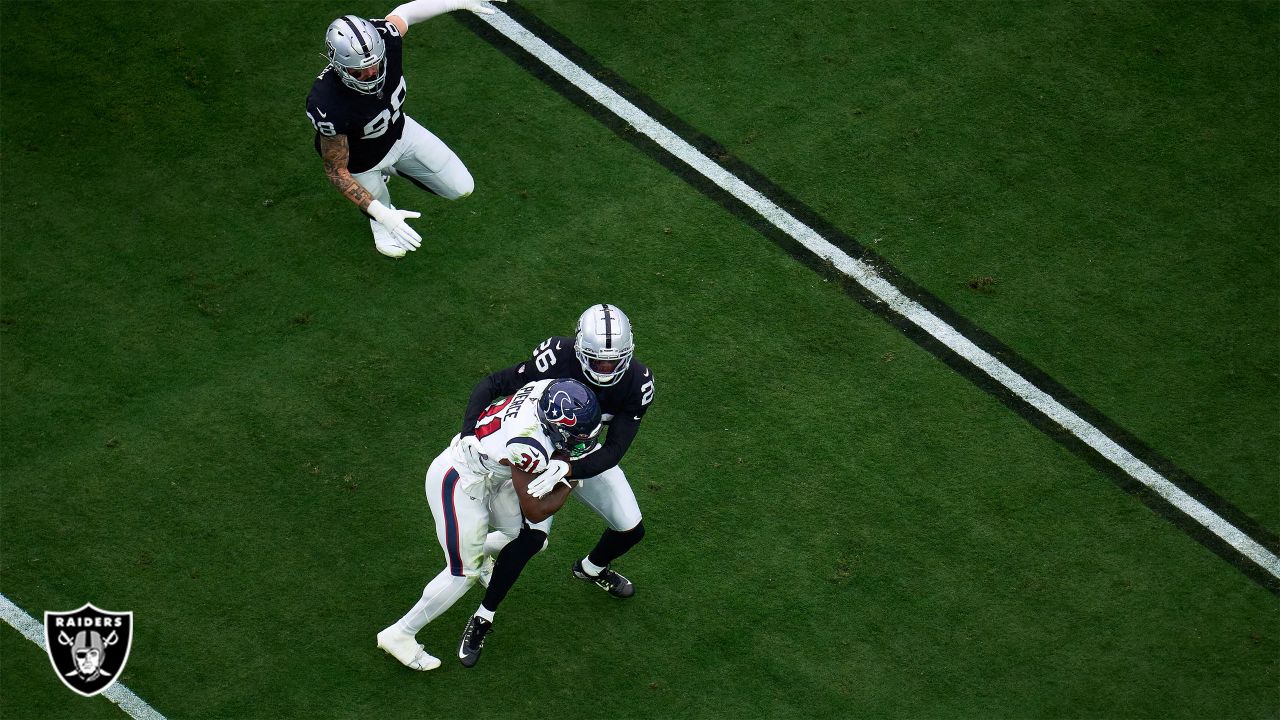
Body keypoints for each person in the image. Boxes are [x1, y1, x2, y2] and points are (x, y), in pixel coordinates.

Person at [377, 378, 602, 671]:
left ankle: (476, 552)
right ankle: (400, 634)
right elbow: (535, 509)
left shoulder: (545, 388)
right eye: (573, 437)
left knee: (525, 538)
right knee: (463, 573)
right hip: (460, 481)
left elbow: (490, 383)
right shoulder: (528, 445)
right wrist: (572, 477)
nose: (579, 444)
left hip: (493, 472)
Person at [456, 304, 655, 605]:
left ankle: (591, 569)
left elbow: (614, 450)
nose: (606, 370)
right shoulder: (558, 357)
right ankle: (478, 562)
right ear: (580, 351)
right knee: (530, 538)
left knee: (630, 529)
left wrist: (570, 470)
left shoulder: (637, 382)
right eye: (598, 363)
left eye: (614, 363)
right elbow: (495, 383)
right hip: (535, 449)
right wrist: (469, 430)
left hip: (582, 454)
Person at [304, 0, 504, 258]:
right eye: (360, 71)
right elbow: (335, 170)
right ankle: (377, 214)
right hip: (360, 163)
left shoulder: (385, 40)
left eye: (374, 63)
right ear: (339, 66)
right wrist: (380, 213)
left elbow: (403, 14)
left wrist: (457, 1)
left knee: (461, 187)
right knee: (381, 210)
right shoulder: (327, 102)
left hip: (400, 132)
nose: (373, 72)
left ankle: (393, 168)